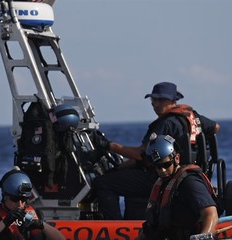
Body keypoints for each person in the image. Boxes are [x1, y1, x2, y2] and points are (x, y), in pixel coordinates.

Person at [92, 82, 219, 220]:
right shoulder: (193, 117)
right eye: (154, 100)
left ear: (173, 100)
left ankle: (114, 226)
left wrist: (108, 146)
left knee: (103, 182)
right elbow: (215, 127)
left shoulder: (166, 123)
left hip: (161, 176)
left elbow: (141, 155)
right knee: (119, 175)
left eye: (161, 100)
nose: (156, 104)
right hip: (187, 173)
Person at [120, 133, 219, 240]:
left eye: (166, 165)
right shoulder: (162, 184)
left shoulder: (190, 182)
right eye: (157, 166)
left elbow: (211, 214)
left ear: (176, 158)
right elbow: (151, 227)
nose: (162, 170)